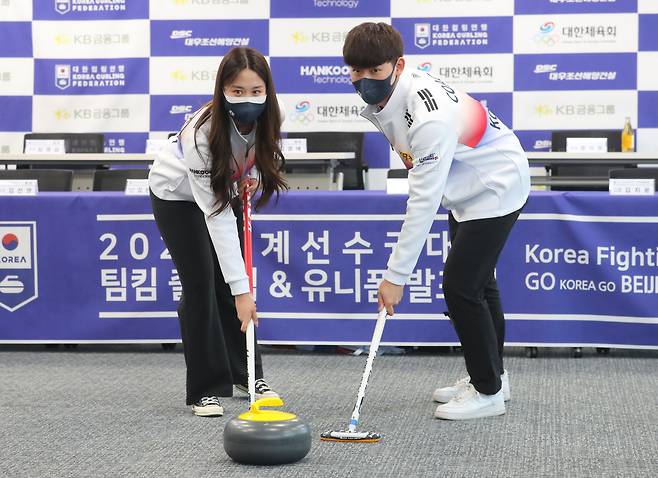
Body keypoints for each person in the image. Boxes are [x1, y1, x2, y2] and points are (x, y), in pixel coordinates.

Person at [343, 23, 530, 420]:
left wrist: (395, 278)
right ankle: (494, 377)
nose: (364, 79)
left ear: (398, 65)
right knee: (480, 283)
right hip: (469, 185)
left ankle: (487, 393)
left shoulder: (427, 115)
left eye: (375, 70)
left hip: (496, 183)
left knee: (461, 287)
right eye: (356, 71)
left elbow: (423, 200)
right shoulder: (397, 93)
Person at [148, 47, 287, 417]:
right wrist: (244, 294)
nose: (247, 99)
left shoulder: (275, 114)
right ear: (222, 90)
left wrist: (251, 176)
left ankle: (248, 376)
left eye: (255, 91)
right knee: (202, 286)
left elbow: (257, 153)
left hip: (223, 190)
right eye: (236, 91)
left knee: (230, 284)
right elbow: (216, 215)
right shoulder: (200, 132)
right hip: (176, 196)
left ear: (267, 91)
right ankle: (204, 390)